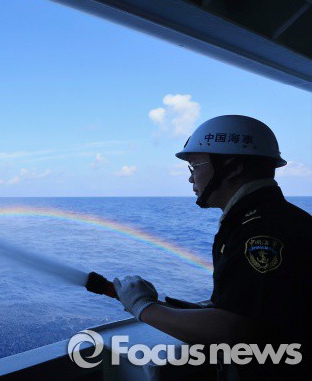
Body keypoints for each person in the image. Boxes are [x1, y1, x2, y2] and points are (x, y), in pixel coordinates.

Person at [113, 115, 311, 380]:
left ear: (234, 167)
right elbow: (270, 308)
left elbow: (235, 330)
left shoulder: (260, 232)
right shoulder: (281, 218)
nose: (191, 178)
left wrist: (143, 307)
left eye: (195, 166)